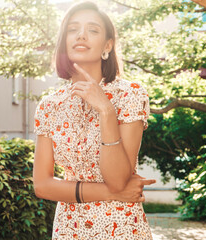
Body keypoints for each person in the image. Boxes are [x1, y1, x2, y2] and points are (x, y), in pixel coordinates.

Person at [33, 1, 156, 239]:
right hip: (69, 229)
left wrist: (106, 110)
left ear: (107, 45)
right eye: (73, 29)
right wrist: (111, 193)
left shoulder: (130, 94)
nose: (81, 35)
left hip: (120, 227)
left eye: (93, 29)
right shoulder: (49, 106)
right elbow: (42, 185)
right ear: (64, 41)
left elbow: (119, 179)